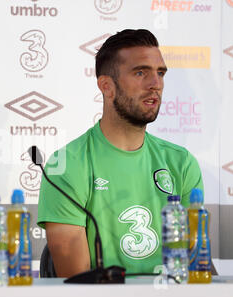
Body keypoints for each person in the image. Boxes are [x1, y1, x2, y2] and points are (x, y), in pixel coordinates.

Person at [37, 29, 203, 277]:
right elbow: (76, 283)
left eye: (160, 73)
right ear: (107, 86)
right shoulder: (67, 165)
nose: (155, 84)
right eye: (140, 73)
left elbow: (194, 265)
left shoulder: (182, 163)